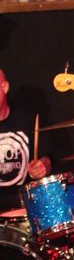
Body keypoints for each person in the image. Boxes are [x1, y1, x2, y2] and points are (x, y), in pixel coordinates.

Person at [0, 68, 51, 214]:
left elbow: (48, 160)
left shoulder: (27, 120)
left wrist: (42, 167)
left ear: (4, 87)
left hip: (26, 205)